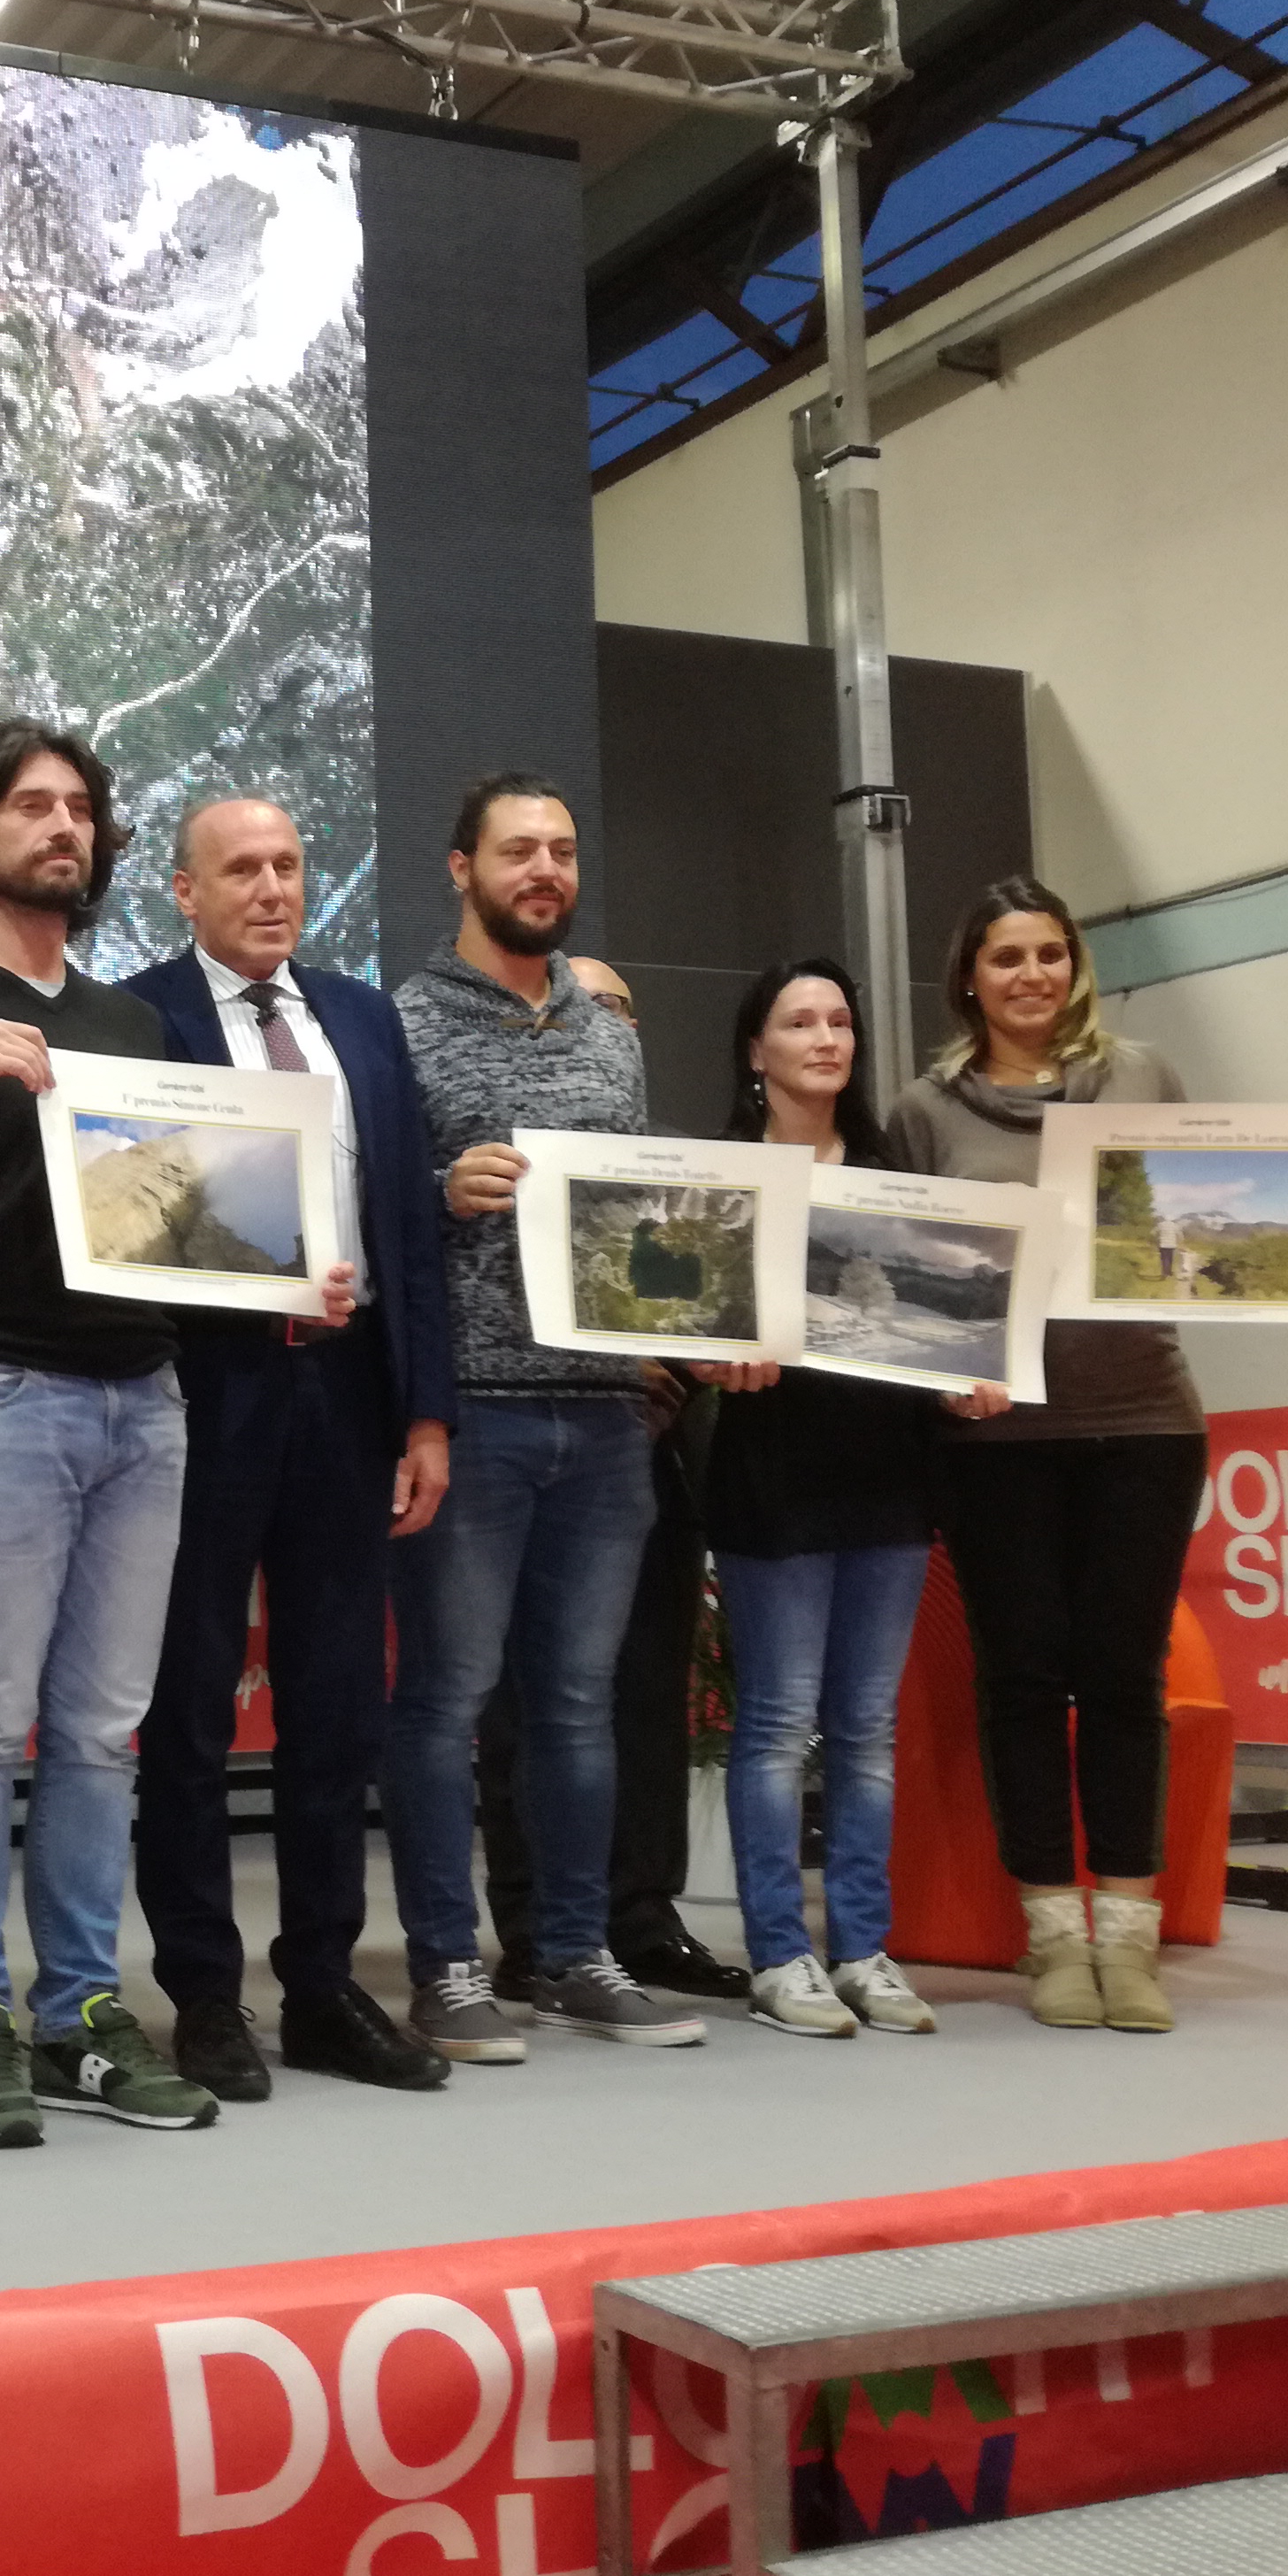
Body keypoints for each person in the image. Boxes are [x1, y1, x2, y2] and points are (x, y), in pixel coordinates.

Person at [0, 720, 346, 2145]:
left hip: (144, 1400)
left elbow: (181, 1225)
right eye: (31, 807)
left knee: (103, 1737)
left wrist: (291, 1273)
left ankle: (78, 2016)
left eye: (79, 810)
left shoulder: (131, 1027)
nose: (61, 827)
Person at [888, 880, 1288, 2032]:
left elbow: (1221, 1215)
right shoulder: (923, 1111)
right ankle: (1051, 1937)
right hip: (998, 1443)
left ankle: (1128, 1934)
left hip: (1146, 1425)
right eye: (1005, 957)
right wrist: (939, 1376)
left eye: (1048, 954)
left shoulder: (1142, 1077)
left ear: (1075, 965)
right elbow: (910, 1275)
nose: (1030, 976)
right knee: (1021, 1681)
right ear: (968, 977)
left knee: (1125, 1680)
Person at [117, 797, 453, 2101]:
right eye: (241, 870)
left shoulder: (361, 1019)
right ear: (184, 892)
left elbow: (408, 1227)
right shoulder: (138, 1019)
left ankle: (321, 1985)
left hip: (348, 1395)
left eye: (287, 866)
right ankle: (204, 1994)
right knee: (189, 1707)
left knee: (336, 1706)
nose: (271, 889)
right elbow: (127, 1219)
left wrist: (424, 1414)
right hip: (205, 1393)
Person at [384, 773, 704, 2056]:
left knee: (578, 1701)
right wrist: (435, 1188)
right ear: (460, 869)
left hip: (607, 1417)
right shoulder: (400, 1021)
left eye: (562, 851)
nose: (544, 871)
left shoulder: (608, 1030)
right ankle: (446, 1970)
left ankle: (572, 1954)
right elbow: (360, 1206)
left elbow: (644, 1218)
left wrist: (683, 1337)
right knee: (448, 1699)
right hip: (472, 1411)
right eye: (518, 850)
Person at [693, 959, 970, 2040]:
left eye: (839, 1021)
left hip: (888, 1474)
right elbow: (680, 1320)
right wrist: (713, 1358)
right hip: (771, 1478)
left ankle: (861, 1948)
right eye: (798, 1021)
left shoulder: (897, 1179)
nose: (824, 1038)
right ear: (753, 1050)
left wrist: (968, 1370)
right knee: (775, 1724)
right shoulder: (720, 1177)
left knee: (864, 1728)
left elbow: (950, 1316)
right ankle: (776, 1955)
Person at [469, 955, 747, 2011]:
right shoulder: (501, 1159)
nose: (602, 1022)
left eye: (618, 1009)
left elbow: (705, 1306)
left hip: (648, 1454)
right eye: (583, 1005)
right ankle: (534, 1926)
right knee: (523, 1702)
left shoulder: (669, 1170)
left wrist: (674, 1366)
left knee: (643, 1693)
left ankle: (641, 1918)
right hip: (525, 1443)